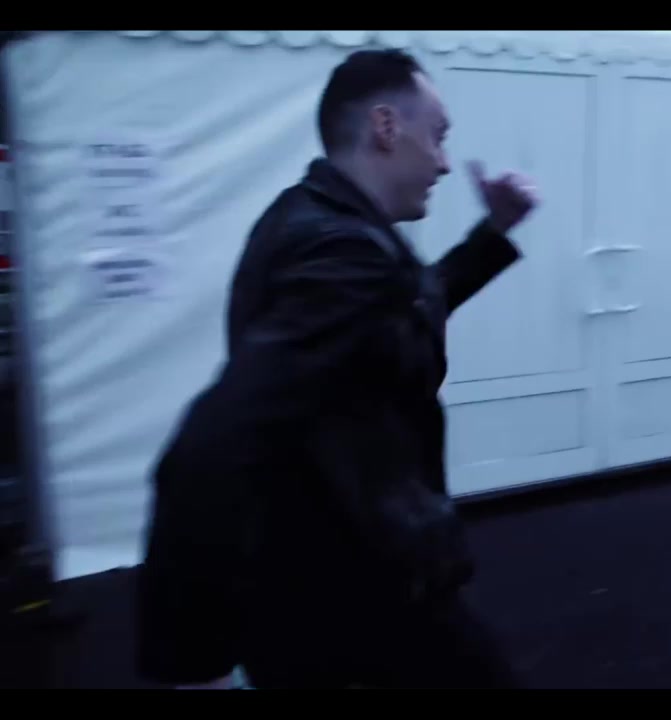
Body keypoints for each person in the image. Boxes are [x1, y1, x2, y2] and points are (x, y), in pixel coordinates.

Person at [135, 48, 538, 689]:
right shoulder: (337, 246)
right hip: (351, 592)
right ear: (386, 127)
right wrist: (190, 663)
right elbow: (208, 446)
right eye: (437, 137)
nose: (442, 163)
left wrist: (493, 233)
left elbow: (403, 308)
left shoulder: (323, 222)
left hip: (338, 579)